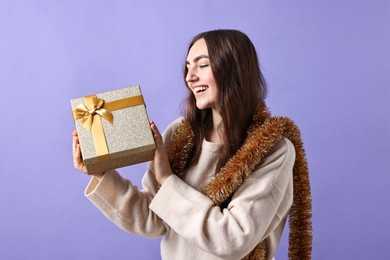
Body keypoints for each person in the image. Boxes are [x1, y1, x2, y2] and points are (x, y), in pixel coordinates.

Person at [72, 29, 312, 260]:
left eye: (202, 65)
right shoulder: (179, 133)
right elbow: (153, 218)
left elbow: (233, 238)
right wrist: (102, 173)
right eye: (188, 67)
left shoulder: (273, 149)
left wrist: (167, 179)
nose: (190, 76)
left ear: (234, 69)